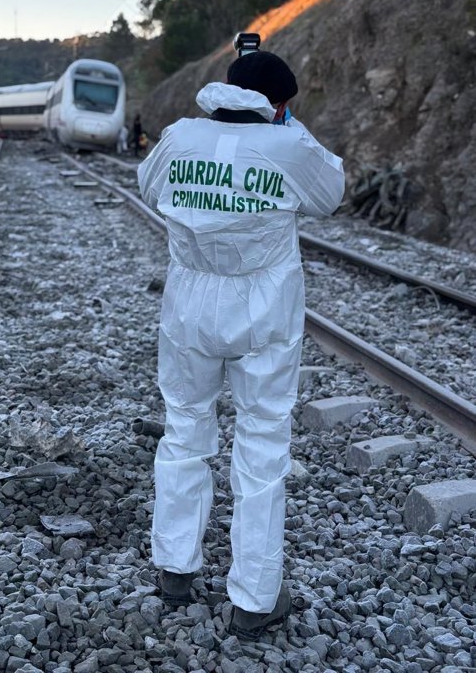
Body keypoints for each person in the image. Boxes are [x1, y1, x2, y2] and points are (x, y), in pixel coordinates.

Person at [137, 45, 344, 640]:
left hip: (190, 305)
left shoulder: (179, 137)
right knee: (262, 444)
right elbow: (331, 193)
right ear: (278, 105)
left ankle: (175, 568)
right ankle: (254, 598)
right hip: (264, 311)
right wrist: (288, 126)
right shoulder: (289, 144)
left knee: (184, 429)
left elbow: (148, 188)